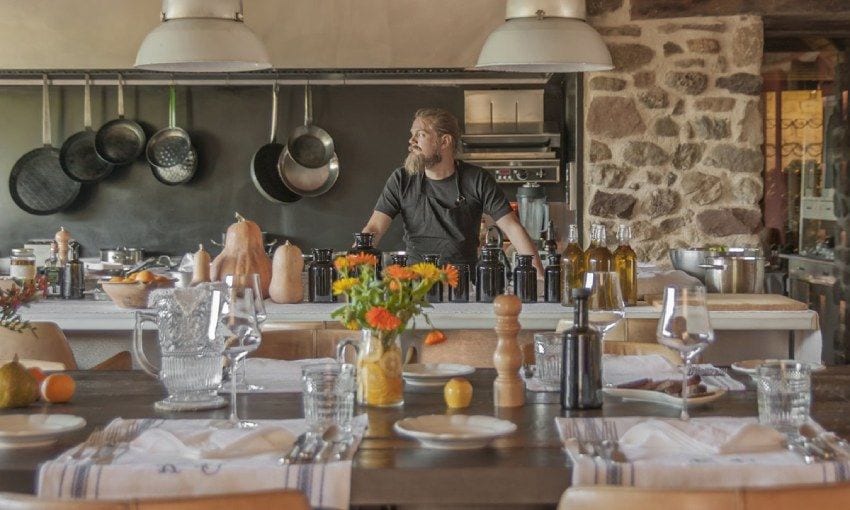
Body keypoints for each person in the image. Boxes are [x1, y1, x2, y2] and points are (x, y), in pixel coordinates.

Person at [361, 108, 544, 275]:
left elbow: (512, 227)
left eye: (420, 135)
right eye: (412, 135)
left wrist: (540, 278)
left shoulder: (477, 179)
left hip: (464, 283)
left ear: (444, 141)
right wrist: (353, 270)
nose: (411, 141)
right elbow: (374, 228)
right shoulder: (402, 179)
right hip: (415, 285)